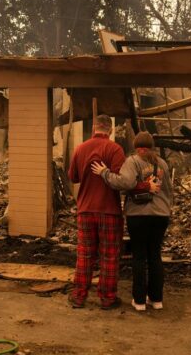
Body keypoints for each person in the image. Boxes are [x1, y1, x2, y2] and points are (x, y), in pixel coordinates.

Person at [91, 131, 172, 312]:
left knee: (139, 256)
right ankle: (157, 300)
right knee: (155, 256)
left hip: (138, 215)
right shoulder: (163, 164)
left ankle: (140, 301)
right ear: (151, 146)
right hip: (161, 215)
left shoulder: (133, 161)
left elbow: (125, 183)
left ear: (136, 147)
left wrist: (104, 173)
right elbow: (169, 191)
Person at [66, 114, 126, 309]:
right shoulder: (115, 149)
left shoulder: (80, 148)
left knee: (85, 254)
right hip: (109, 210)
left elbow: (73, 177)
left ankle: (78, 296)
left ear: (94, 128)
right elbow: (120, 181)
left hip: (85, 209)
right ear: (110, 129)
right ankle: (108, 298)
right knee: (109, 255)